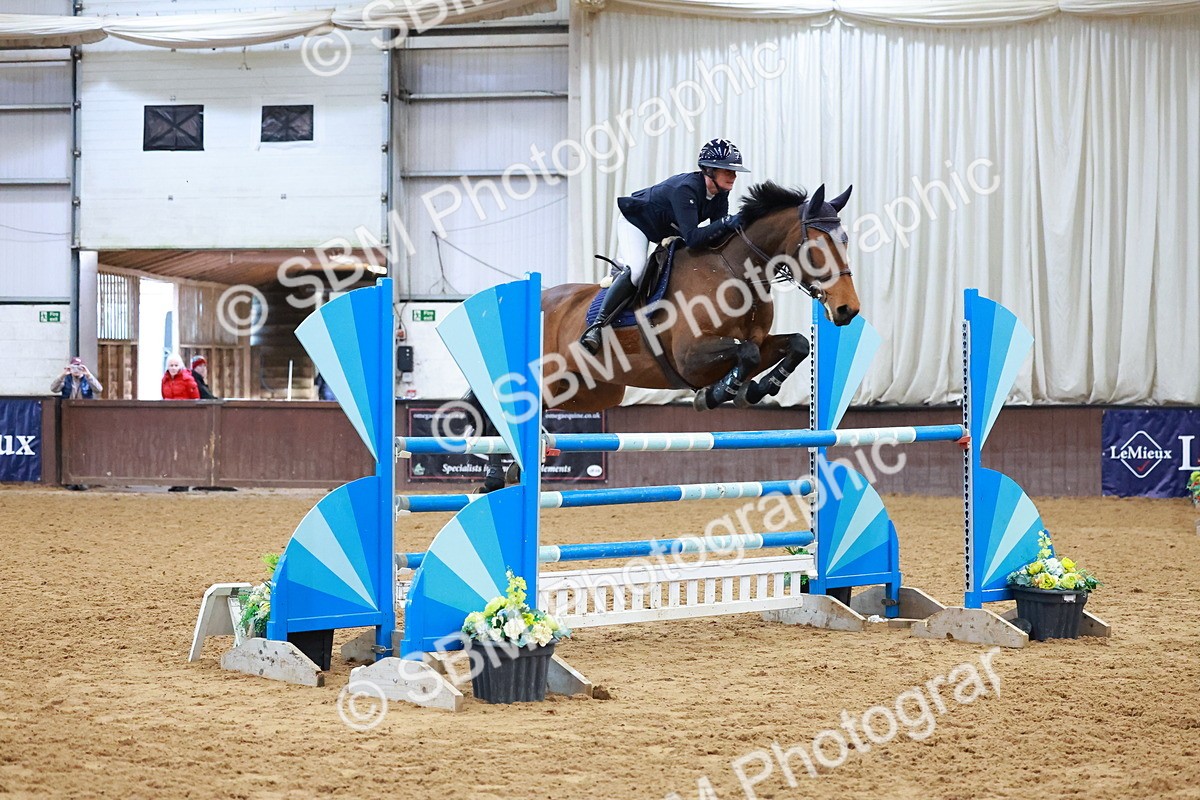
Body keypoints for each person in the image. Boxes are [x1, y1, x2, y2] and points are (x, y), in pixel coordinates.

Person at [579, 137, 750, 354]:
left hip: (669, 229)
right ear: (709, 171)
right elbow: (694, 238)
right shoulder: (686, 189)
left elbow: (714, 236)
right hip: (638, 223)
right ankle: (597, 326)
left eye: (734, 172)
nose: (734, 176)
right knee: (637, 270)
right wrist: (726, 223)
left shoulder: (720, 194)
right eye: (728, 171)